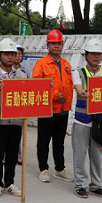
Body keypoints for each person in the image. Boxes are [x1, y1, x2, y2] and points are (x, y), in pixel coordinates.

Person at [0, 39, 26, 197]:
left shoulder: (21, 75)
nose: (10, 57)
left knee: (13, 153)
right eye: (7, 54)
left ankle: (9, 182)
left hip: (16, 121)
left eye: (12, 54)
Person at [32, 29, 73, 183]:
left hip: (63, 110)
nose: (56, 46)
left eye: (59, 43)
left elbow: (70, 85)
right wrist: (55, 95)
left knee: (59, 142)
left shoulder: (66, 64)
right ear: (47, 45)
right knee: (44, 141)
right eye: (53, 43)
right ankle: (43, 169)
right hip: (47, 110)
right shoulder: (41, 64)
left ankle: (60, 169)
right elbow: (37, 86)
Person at [71, 38, 102, 199]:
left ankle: (96, 185)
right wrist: (82, 93)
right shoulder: (78, 73)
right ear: (86, 55)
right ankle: (80, 185)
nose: (96, 56)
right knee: (80, 155)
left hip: (100, 122)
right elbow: (79, 89)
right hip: (82, 120)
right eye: (93, 53)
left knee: (97, 156)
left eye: (98, 54)